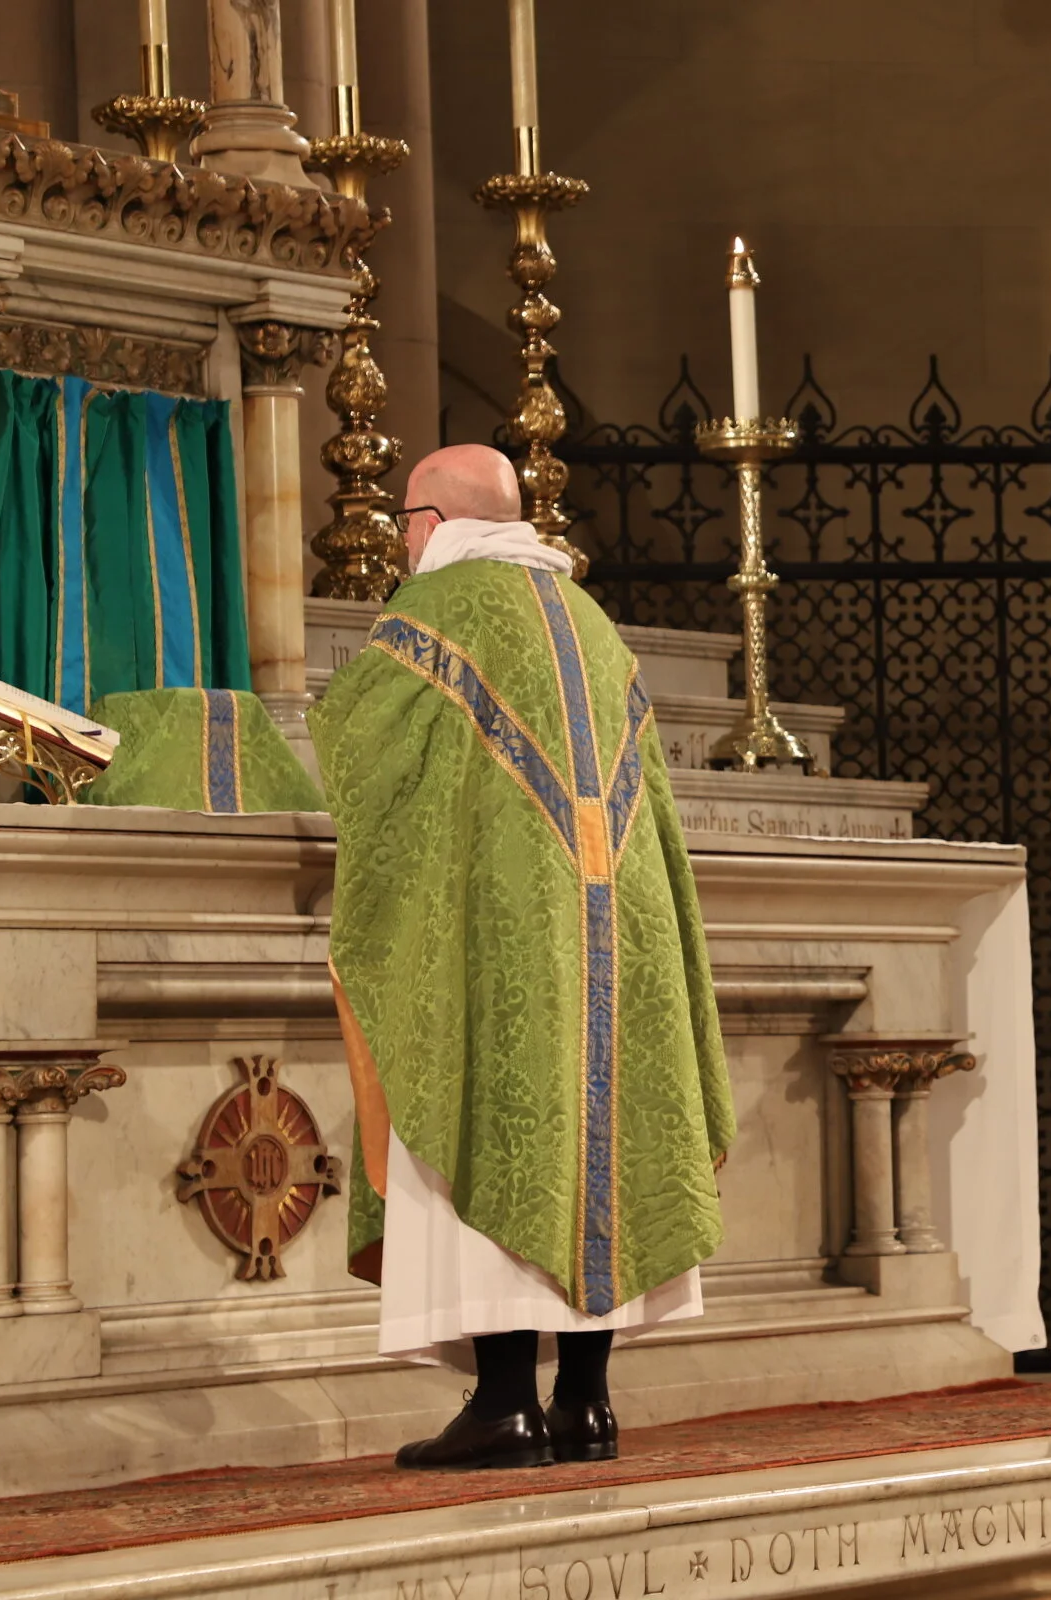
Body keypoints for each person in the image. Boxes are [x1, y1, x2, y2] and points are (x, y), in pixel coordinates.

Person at [315, 445, 733, 1470]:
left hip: (495, 929)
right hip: (612, 928)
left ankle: (504, 1399)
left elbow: (353, 745)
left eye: (405, 520)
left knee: (483, 1114)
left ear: (432, 520)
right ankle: (586, 1403)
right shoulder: (592, 625)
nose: (402, 542)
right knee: (597, 1140)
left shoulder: (433, 615)